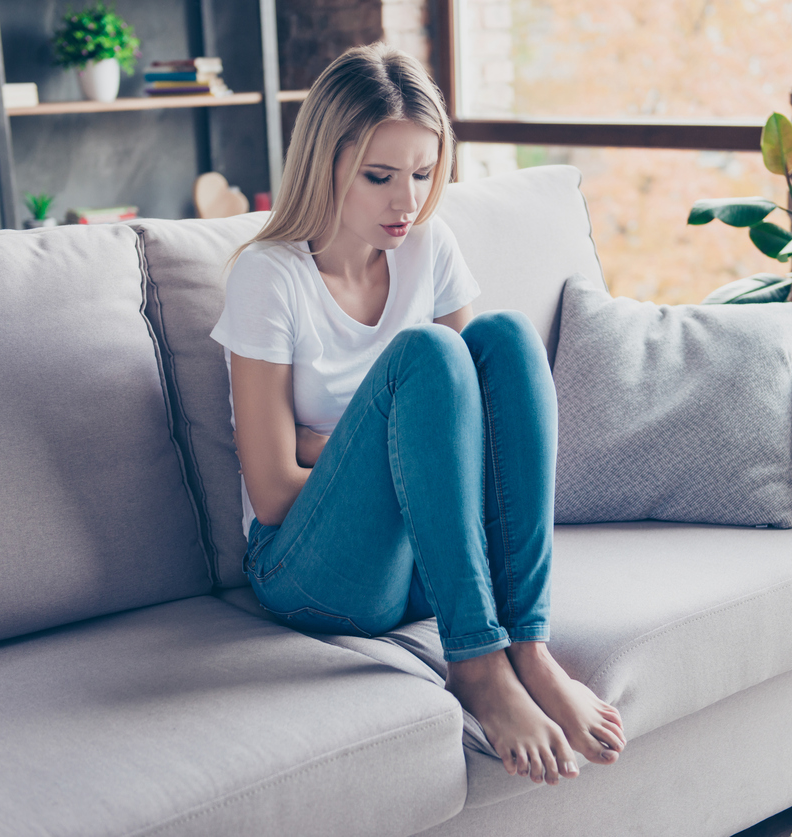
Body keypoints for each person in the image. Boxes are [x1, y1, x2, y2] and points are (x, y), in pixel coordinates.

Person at [210, 42, 624, 786]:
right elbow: (273, 490)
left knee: (504, 339)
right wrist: (390, 446)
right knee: (428, 356)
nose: (406, 201)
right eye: (379, 176)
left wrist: (339, 443)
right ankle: (476, 661)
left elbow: (476, 428)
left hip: (425, 559)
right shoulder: (268, 277)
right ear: (326, 164)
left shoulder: (429, 245)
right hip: (309, 569)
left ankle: (527, 645)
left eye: (423, 174)